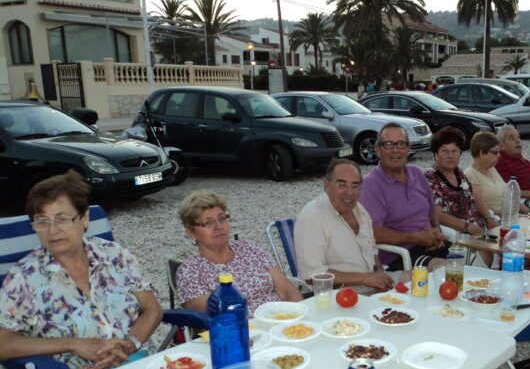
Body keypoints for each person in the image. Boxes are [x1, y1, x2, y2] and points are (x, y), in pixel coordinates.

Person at [0, 171, 162, 369]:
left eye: (62, 219)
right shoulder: (23, 278)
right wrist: (72, 344)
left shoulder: (116, 255)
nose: (53, 231)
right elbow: (3, 342)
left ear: (84, 218)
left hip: (142, 368)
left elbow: (152, 309)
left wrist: (130, 345)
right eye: (42, 221)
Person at [176, 190, 302, 312]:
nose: (218, 227)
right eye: (208, 222)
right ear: (191, 232)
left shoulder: (251, 249)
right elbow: (216, 314)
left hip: (280, 320)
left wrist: (300, 315)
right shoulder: (190, 272)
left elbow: (286, 290)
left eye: (221, 218)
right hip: (239, 330)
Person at [294, 159, 395, 294]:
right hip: (336, 294)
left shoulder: (360, 210)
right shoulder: (312, 217)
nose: (349, 193)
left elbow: (371, 249)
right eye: (341, 184)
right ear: (327, 185)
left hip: (371, 284)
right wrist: (366, 278)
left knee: (421, 280)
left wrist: (379, 272)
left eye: (355, 185)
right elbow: (312, 275)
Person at [359, 122, 449, 271]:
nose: (396, 150)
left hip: (429, 245)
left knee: (467, 257)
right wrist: (416, 237)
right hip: (400, 256)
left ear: (408, 149)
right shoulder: (372, 184)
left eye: (401, 144)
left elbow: (432, 212)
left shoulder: (416, 173)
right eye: (388, 144)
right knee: (447, 269)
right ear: (378, 150)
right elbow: (373, 233)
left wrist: (436, 234)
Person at [424, 126, 495, 237]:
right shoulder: (431, 178)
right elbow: (436, 214)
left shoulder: (458, 173)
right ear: (435, 154)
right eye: (444, 151)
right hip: (459, 234)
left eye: (455, 151)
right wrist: (467, 227)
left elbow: (473, 196)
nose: (450, 156)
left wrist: (488, 217)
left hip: (479, 228)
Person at [463, 131, 506, 219]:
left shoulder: (491, 169)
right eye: (495, 152)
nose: (499, 155)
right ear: (482, 154)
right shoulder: (471, 175)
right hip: (493, 220)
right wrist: (508, 213)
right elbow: (477, 209)